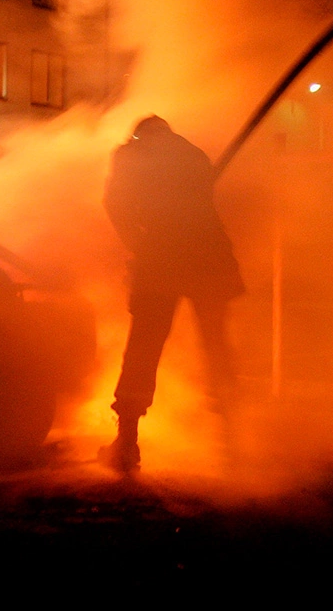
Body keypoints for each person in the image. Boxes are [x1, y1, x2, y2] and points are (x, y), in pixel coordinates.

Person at [99, 115, 244, 472]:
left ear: (139, 134)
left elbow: (115, 203)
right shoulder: (193, 154)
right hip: (210, 257)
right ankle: (232, 438)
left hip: (161, 257)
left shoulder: (131, 153)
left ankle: (127, 443)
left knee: (144, 346)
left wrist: (137, 245)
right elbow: (203, 200)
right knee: (216, 344)